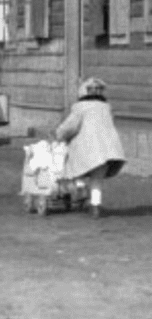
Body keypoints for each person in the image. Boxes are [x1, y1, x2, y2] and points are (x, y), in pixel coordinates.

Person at [54, 77, 126, 219]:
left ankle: (80, 189)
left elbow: (70, 126)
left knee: (74, 168)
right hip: (107, 150)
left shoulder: (80, 107)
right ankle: (95, 207)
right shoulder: (107, 107)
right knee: (97, 178)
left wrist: (59, 134)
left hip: (86, 148)